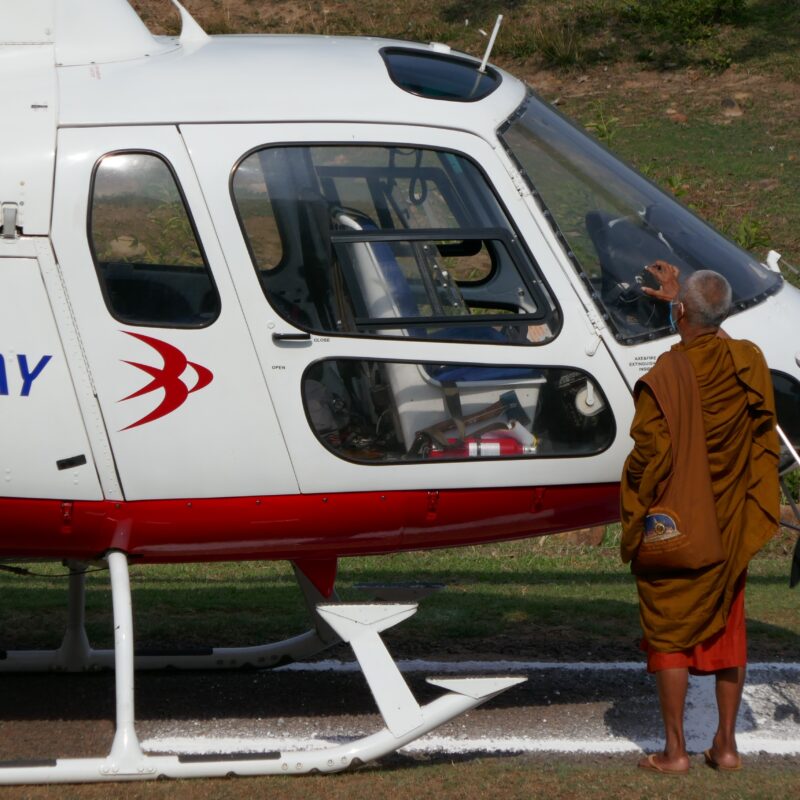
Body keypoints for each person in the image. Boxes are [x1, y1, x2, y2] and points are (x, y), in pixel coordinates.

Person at [620, 264, 780, 774]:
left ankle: (674, 752)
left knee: (669, 631)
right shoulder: (747, 360)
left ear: (680, 312)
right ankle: (727, 746)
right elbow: (719, 347)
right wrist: (691, 306)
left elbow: (648, 455)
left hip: (680, 527)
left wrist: (637, 500)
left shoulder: (666, 374)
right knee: (728, 630)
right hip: (731, 520)